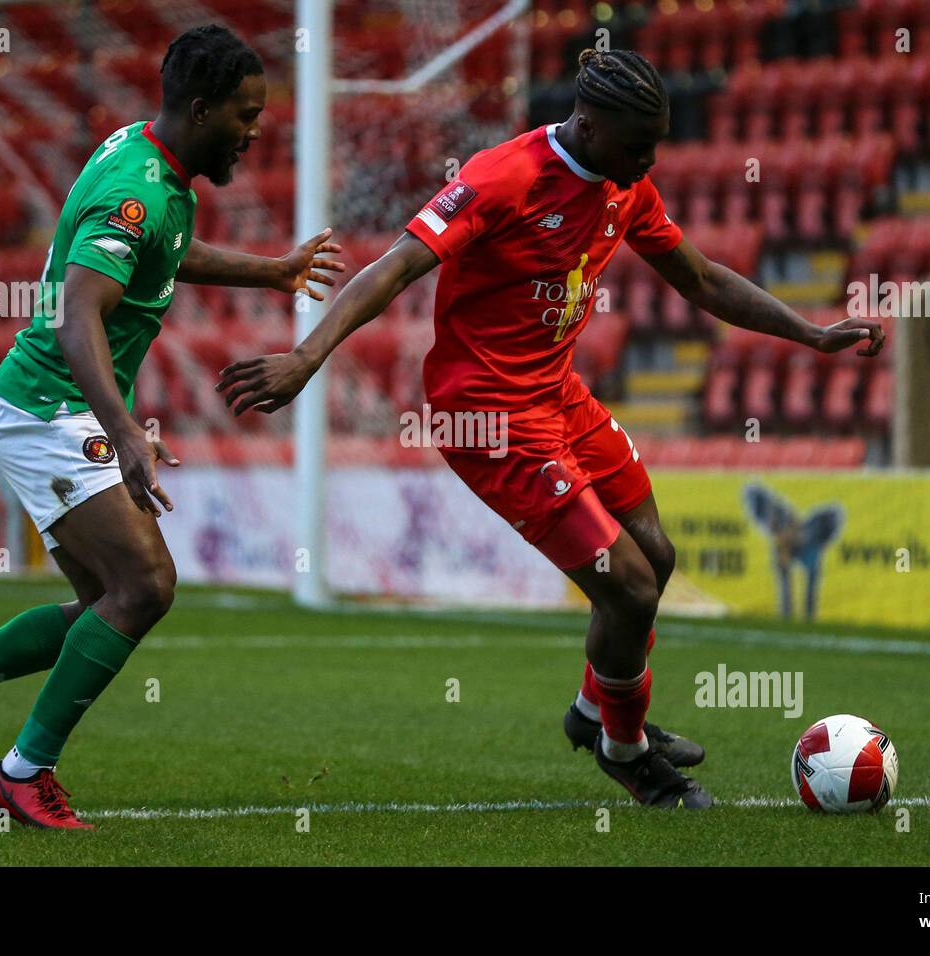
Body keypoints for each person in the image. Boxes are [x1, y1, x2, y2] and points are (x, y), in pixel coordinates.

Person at [215, 49, 885, 809]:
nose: (649, 161)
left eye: (656, 144)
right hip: (489, 419)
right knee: (627, 590)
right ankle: (627, 753)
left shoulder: (622, 183)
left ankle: (595, 709)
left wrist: (812, 334)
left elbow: (700, 279)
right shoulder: (506, 178)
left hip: (557, 396)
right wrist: (307, 357)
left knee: (655, 559)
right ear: (589, 123)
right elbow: (397, 267)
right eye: (638, 145)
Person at [0, 24, 344, 829]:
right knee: (146, 585)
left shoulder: (147, 159)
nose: (256, 130)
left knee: (101, 605)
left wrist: (274, 270)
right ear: (200, 108)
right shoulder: (140, 191)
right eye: (245, 114)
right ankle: (21, 772)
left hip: (43, 406)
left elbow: (160, 250)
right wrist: (121, 431)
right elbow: (80, 311)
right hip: (48, 409)